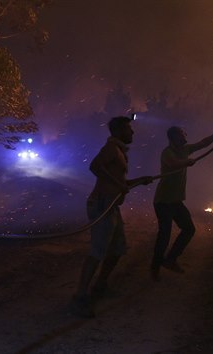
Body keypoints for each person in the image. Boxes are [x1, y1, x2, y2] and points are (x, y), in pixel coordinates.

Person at [70, 116, 152, 318]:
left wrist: (139, 180)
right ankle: (80, 296)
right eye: (128, 129)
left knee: (117, 249)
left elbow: (119, 183)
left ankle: (100, 286)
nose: (132, 133)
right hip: (101, 204)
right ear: (118, 131)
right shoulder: (111, 149)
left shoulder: (119, 152)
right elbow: (95, 167)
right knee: (98, 252)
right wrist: (120, 183)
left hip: (111, 205)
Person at [150, 125, 213, 281]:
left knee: (189, 229)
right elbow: (173, 164)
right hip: (164, 201)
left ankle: (171, 259)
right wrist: (186, 162)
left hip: (175, 201)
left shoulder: (185, 149)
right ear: (173, 138)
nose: (185, 137)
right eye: (182, 135)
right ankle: (155, 267)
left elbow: (203, 143)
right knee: (164, 235)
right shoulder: (167, 153)